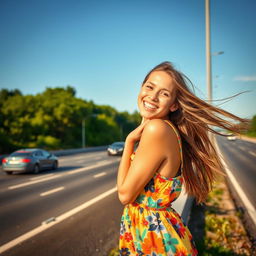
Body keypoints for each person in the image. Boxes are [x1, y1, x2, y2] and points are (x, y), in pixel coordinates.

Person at [117, 61, 247, 256]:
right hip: (158, 233)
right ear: (141, 88)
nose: (152, 96)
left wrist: (128, 142)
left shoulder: (157, 129)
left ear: (174, 105)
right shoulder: (168, 130)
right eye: (149, 87)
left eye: (164, 93)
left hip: (155, 241)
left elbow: (125, 195)